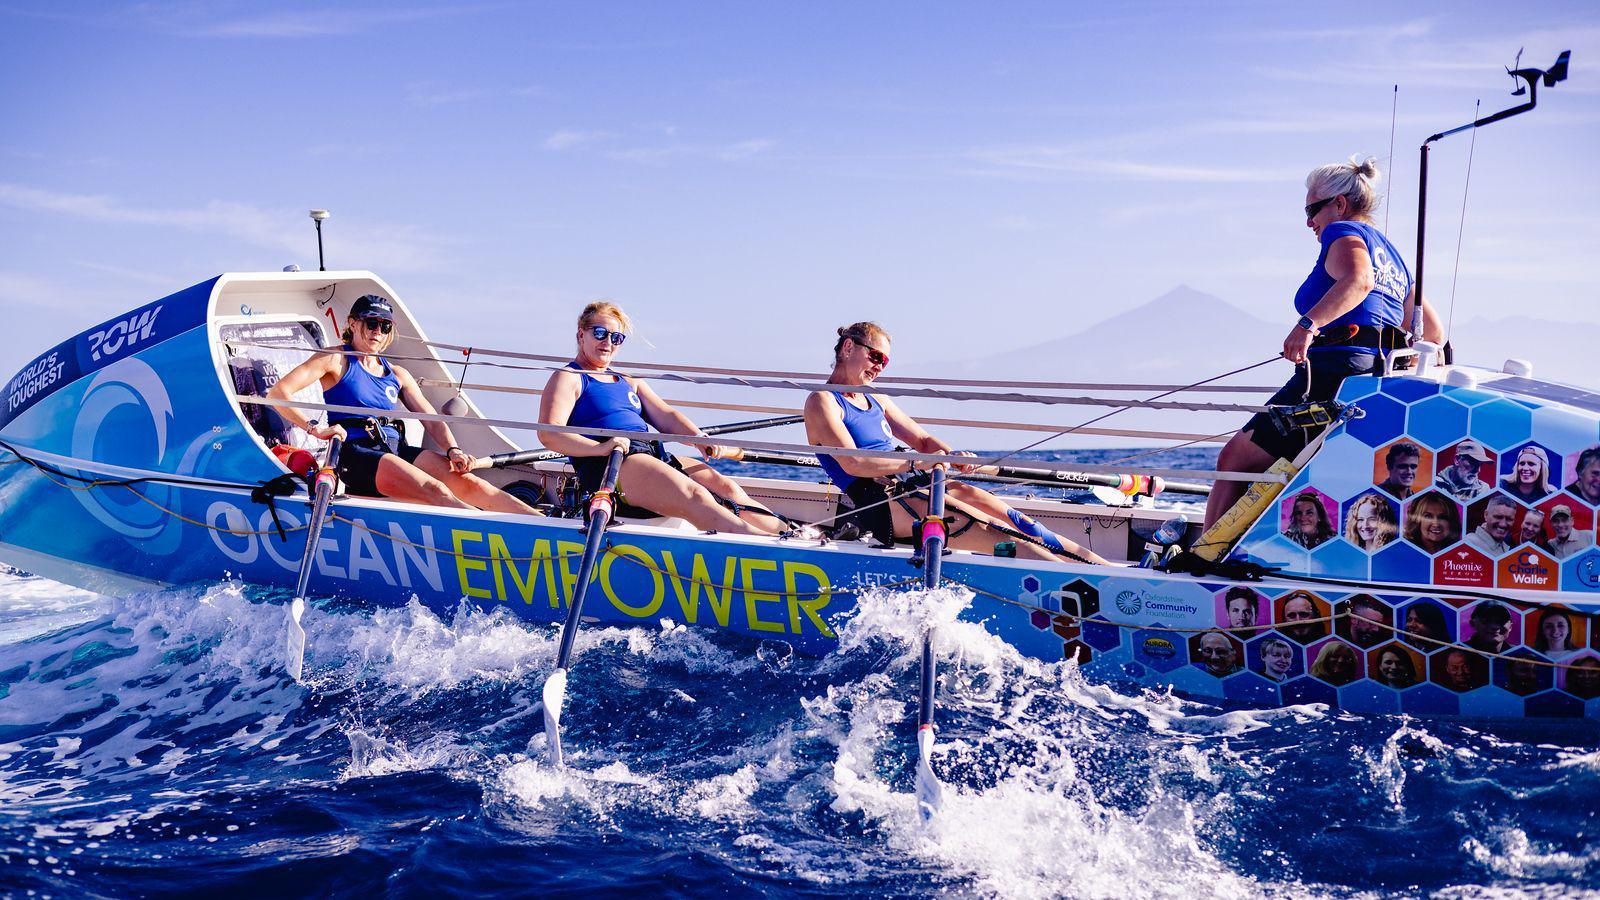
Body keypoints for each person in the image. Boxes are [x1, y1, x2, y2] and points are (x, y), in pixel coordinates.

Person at [1203, 155, 1441, 530]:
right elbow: (1433, 331)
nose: (1309, 221)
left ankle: (1203, 560)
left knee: (1235, 461)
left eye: (1312, 210)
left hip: (1331, 372)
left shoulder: (1343, 231)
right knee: (1286, 466)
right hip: (1371, 377)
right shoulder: (1395, 258)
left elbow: (1359, 279)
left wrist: (1307, 325)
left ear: (1340, 205)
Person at [803, 322, 1109, 563]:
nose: (880, 367)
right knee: (993, 529)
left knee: (1017, 520)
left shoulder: (877, 398)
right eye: (876, 356)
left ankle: (1098, 567)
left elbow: (922, 440)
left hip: (915, 482)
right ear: (847, 347)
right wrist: (917, 461)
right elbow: (854, 462)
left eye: (885, 362)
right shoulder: (822, 402)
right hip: (876, 501)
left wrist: (952, 456)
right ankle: (1074, 582)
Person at [267, 295, 537, 513]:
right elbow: (278, 392)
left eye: (385, 327)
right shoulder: (335, 360)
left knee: (469, 483)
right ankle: (495, 537)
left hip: (393, 448)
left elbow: (429, 417)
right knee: (436, 490)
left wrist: (453, 449)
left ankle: (544, 526)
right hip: (356, 454)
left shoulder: (397, 374)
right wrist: (315, 428)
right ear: (351, 323)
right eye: (371, 323)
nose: (378, 331)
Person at [538, 302, 784, 536]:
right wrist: (602, 447)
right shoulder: (568, 377)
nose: (608, 343)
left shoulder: (627, 380)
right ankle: (767, 547)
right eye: (600, 333)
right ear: (582, 335)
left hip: (650, 454)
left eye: (616, 338)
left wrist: (697, 437)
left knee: (726, 488)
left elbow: (666, 416)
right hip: (610, 463)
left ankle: (789, 536)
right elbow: (549, 433)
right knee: (696, 496)